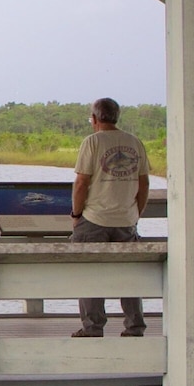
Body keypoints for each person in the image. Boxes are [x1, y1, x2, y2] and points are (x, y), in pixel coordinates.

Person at [70, 97, 152, 338]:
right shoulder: (134, 142)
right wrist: (136, 212)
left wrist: (76, 214)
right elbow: (144, 182)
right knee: (128, 275)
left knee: (89, 273)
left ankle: (93, 328)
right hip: (126, 220)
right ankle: (134, 327)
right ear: (117, 117)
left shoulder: (92, 142)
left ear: (95, 119)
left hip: (95, 218)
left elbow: (81, 182)